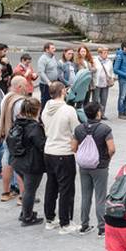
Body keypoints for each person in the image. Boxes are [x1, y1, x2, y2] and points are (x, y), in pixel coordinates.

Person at [42, 81, 80, 232]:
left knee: (51, 186)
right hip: (64, 151)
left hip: (49, 150)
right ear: (63, 91)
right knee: (66, 188)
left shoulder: (46, 108)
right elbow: (76, 130)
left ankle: (50, 218)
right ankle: (65, 222)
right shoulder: (68, 110)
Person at [75, 101, 116, 235]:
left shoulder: (79, 129)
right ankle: (102, 227)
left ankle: (84, 224)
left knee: (85, 195)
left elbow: (73, 147)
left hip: (84, 166)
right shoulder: (105, 129)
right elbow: (111, 149)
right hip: (100, 166)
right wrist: (107, 159)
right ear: (98, 112)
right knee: (100, 196)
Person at [7, 98, 46, 226]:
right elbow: (41, 145)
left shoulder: (17, 123)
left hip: (18, 162)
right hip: (31, 163)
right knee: (30, 190)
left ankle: (25, 212)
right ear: (37, 111)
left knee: (27, 189)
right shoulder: (34, 127)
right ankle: (27, 217)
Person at [0, 75, 32, 202]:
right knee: (20, 164)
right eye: (26, 85)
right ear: (19, 87)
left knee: (6, 162)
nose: (27, 88)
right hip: (18, 137)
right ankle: (23, 196)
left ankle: (5, 192)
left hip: (7, 134)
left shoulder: (6, 97)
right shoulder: (20, 102)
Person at [112, 42, 126, 120]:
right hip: (123, 79)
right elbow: (115, 69)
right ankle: (120, 113)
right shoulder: (119, 56)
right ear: (124, 48)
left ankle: (125, 111)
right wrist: (125, 74)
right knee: (122, 96)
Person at [92, 46, 115, 114]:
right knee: (96, 100)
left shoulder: (109, 61)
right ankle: (95, 114)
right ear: (100, 53)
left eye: (107, 53)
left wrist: (112, 78)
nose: (106, 54)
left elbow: (111, 71)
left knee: (104, 99)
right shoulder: (95, 61)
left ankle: (102, 114)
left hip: (105, 83)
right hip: (97, 83)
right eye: (104, 53)